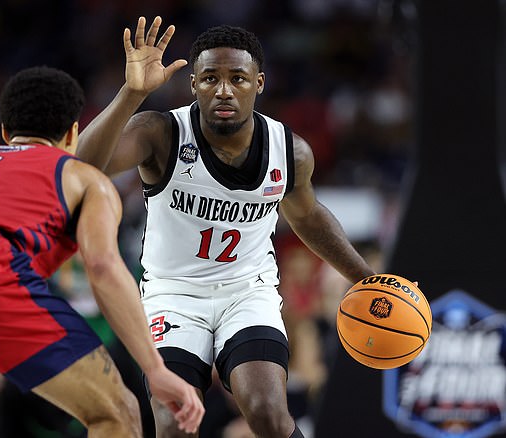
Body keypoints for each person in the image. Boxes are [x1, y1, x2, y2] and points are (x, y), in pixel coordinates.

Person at [76, 17, 377, 438]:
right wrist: (132, 94)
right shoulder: (160, 133)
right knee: (175, 424)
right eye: (210, 78)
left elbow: (307, 215)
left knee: (268, 414)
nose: (223, 90)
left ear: (259, 83)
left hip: (246, 292)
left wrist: (366, 278)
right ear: (193, 84)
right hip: (173, 294)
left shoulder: (291, 152)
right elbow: (80, 168)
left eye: (237, 78)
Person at [0, 66, 204, 437]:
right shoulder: (83, 177)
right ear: (72, 133)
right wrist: (155, 369)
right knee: (115, 413)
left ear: (4, 132)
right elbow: (103, 266)